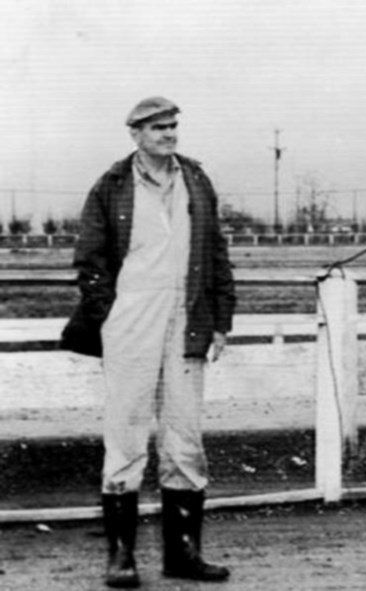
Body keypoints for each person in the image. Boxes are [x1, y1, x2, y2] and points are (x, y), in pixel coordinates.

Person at [61, 97, 235, 587]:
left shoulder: (196, 180)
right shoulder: (112, 185)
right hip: (131, 315)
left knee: (185, 434)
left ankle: (183, 555)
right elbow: (90, 260)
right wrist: (110, 317)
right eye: (158, 127)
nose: (169, 134)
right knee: (126, 430)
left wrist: (221, 319)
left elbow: (217, 253)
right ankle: (122, 558)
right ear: (135, 133)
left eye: (173, 126)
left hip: (187, 314)